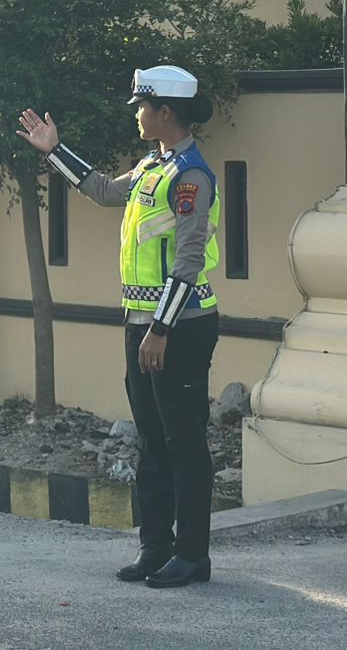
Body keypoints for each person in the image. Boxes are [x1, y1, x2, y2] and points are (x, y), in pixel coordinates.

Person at [17, 65, 221, 589]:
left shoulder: (190, 176)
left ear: (165, 112)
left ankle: (192, 555)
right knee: (151, 441)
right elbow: (106, 191)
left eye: (142, 107)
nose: (136, 115)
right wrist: (54, 151)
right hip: (142, 323)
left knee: (184, 442)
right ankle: (155, 548)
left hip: (180, 327)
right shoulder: (153, 166)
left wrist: (161, 328)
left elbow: (189, 260)